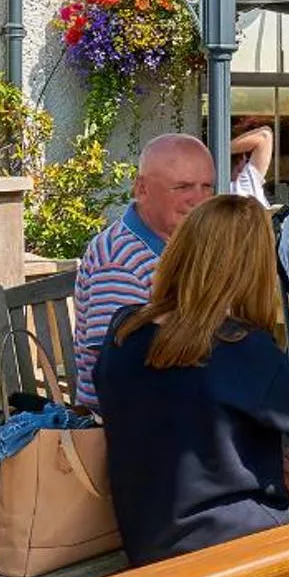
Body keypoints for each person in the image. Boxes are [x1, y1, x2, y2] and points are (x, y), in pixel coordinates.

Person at [94, 195, 289, 572]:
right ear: (253, 268)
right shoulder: (240, 345)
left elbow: (176, 409)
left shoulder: (124, 329)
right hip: (232, 552)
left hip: (149, 544)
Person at [72, 133, 217, 406]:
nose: (199, 200)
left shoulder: (185, 245)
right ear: (142, 189)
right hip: (132, 420)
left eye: (207, 186)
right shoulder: (119, 261)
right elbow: (121, 372)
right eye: (183, 187)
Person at [229, 121, 275, 208]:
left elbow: (265, 134)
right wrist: (222, 150)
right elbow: (265, 135)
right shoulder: (246, 181)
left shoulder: (210, 188)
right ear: (243, 159)